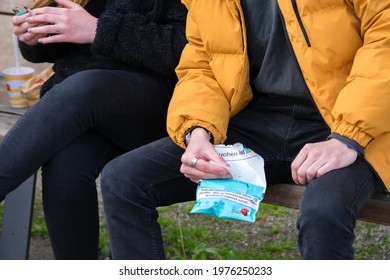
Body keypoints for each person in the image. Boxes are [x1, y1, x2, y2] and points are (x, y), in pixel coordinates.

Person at [100, 0, 390, 260]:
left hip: (357, 121)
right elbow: (202, 64)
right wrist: (198, 130)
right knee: (124, 179)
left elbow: (385, 43)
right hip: (264, 117)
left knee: (324, 210)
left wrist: (348, 137)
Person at [1, 0, 187, 259]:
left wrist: (100, 30)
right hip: (88, 106)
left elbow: (190, 49)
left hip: (170, 106)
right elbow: (61, 44)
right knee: (66, 164)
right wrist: (35, 34)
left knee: (86, 88)